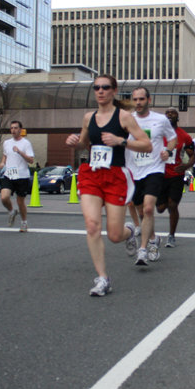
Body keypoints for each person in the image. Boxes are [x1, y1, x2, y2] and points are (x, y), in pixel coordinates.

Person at [65, 75, 151, 296]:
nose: (100, 91)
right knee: (92, 225)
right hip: (92, 174)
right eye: (96, 88)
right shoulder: (88, 117)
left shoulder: (124, 117)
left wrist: (121, 141)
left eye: (105, 87)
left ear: (114, 90)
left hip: (115, 176)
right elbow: (84, 143)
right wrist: (74, 142)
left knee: (114, 235)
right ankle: (103, 278)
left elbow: (146, 145)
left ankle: (130, 231)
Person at [126, 87, 177, 265]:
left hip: (154, 168)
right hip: (134, 170)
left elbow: (173, 138)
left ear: (149, 100)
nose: (138, 103)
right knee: (140, 211)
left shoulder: (161, 119)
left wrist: (168, 151)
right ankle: (154, 239)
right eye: (135, 100)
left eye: (141, 99)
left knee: (149, 209)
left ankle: (143, 249)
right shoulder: (127, 119)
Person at [156, 108, 195, 248]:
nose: (169, 115)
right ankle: (165, 200)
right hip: (159, 174)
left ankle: (171, 235)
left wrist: (186, 166)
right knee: (160, 208)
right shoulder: (157, 132)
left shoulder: (184, 136)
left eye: (173, 113)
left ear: (177, 118)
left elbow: (193, 156)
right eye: (167, 113)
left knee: (173, 205)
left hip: (176, 174)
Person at [0, 120, 34, 232]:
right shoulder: (7, 143)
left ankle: (24, 223)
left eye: (15, 128)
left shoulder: (26, 143)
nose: (13, 130)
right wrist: (2, 162)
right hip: (9, 174)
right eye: (12, 128)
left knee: (20, 202)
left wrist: (20, 152)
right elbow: (5, 155)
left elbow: (31, 160)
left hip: (22, 175)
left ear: (20, 130)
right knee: (4, 197)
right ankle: (11, 211)